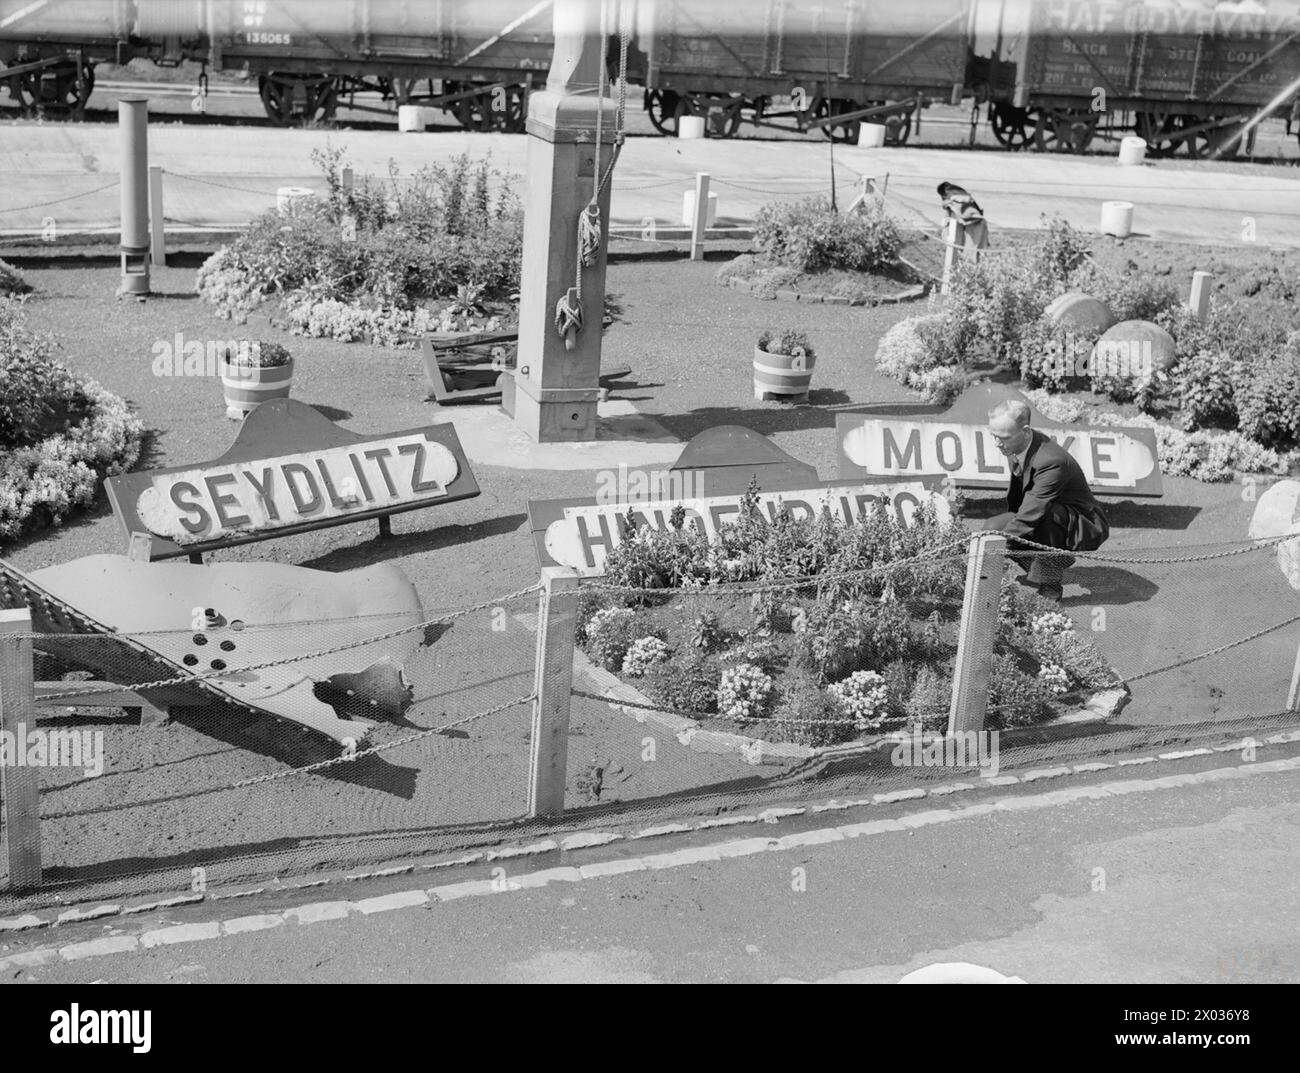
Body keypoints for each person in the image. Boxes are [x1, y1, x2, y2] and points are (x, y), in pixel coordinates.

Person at [983, 399, 1109, 602]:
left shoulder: (1051, 461)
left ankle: (1051, 587)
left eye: (1003, 438)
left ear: (1025, 431)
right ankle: (1040, 567)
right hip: (1039, 510)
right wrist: (987, 540)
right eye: (994, 436)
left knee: (1042, 518)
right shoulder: (1014, 444)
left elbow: (1032, 512)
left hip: (1079, 522)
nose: (997, 443)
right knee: (989, 528)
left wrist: (989, 548)